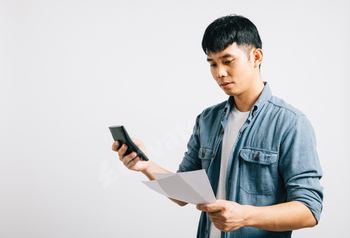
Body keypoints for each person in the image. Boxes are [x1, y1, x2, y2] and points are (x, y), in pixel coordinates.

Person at [112, 15, 323, 238]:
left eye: (227, 61)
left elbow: (309, 210)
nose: (219, 73)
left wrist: (245, 216)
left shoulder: (290, 123)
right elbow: (184, 194)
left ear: (256, 57)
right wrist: (145, 164)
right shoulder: (207, 120)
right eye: (212, 63)